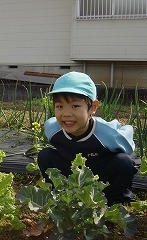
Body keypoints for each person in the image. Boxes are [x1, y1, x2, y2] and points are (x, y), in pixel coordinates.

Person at [37, 71, 138, 206]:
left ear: (93, 107)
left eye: (75, 106)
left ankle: (114, 200)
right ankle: (60, 197)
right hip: (72, 171)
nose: (66, 114)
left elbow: (127, 145)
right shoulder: (52, 129)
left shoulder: (107, 132)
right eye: (59, 106)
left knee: (123, 162)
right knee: (45, 155)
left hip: (100, 175)